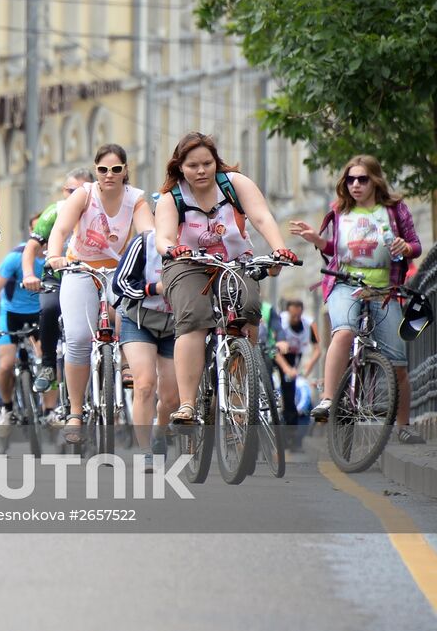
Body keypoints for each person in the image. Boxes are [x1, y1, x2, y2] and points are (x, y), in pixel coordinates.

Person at [154, 132, 297, 425]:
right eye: (193, 165)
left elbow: (261, 217)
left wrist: (279, 249)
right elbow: (163, 238)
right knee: (194, 320)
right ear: (180, 167)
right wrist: (173, 249)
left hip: (235, 261)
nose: (201, 170)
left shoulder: (234, 184)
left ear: (216, 162)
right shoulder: (172, 198)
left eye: (207, 163)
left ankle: (243, 387)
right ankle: (187, 404)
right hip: (189, 264)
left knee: (249, 310)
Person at [290, 155, 425, 443]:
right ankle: (328, 399)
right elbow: (336, 250)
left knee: (398, 363)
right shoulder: (340, 210)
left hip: (384, 290)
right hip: (345, 285)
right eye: (350, 179)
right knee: (344, 331)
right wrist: (317, 240)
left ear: (375, 181)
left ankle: (404, 426)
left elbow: (416, 246)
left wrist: (405, 247)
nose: (355, 185)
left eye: (362, 179)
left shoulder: (394, 209)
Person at [44, 143, 154, 442]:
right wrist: (55, 256)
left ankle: (126, 365)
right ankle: (75, 413)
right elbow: (60, 230)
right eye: (103, 169)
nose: (109, 175)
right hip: (80, 268)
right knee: (79, 338)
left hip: (118, 271)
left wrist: (153, 256)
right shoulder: (84, 194)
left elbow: (148, 235)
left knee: (127, 324)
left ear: (125, 170)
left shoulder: (136, 199)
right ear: (96, 170)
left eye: (116, 169)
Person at [110, 230, 180, 471]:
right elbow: (120, 283)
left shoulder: (199, 242)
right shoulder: (144, 242)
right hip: (139, 321)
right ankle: (145, 451)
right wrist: (154, 288)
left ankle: (159, 432)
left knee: (171, 399)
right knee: (144, 385)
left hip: (177, 325)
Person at [22, 168, 93, 392]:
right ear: (64, 191)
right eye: (71, 191)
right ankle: (48, 366)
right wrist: (29, 275)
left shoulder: (98, 210)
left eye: (81, 191)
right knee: (50, 309)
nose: (76, 196)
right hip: (57, 276)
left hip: (92, 274)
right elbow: (31, 248)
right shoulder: (55, 211)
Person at [0, 229, 44, 435]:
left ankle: (50, 411)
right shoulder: (15, 257)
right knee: (5, 365)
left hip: (40, 313)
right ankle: (7, 408)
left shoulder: (56, 256)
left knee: (48, 362)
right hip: (12, 314)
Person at [272, 298, 321, 442]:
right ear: (288, 312)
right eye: (293, 316)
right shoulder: (281, 321)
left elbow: (318, 349)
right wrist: (286, 368)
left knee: (290, 391)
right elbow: (272, 348)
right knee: (271, 383)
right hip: (276, 353)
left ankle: (291, 434)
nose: (296, 319)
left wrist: (308, 366)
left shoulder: (309, 324)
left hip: (293, 356)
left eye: (298, 316)